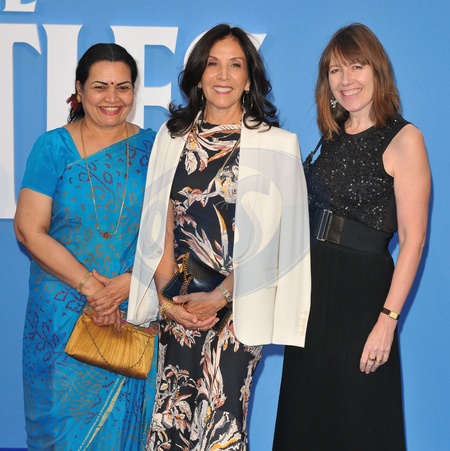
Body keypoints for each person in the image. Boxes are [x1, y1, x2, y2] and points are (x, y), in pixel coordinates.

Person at [127, 23, 311, 450]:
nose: (223, 75)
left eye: (235, 65)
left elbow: (277, 243)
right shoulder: (171, 138)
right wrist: (169, 302)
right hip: (179, 303)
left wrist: (221, 296)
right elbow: (160, 226)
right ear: (198, 75)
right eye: (213, 64)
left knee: (221, 425)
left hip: (239, 306)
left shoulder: (278, 145)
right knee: (171, 421)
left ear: (249, 79)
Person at [273, 23, 430, 450]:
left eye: (356, 66)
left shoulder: (405, 138)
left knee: (359, 422)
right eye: (335, 70)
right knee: (305, 422)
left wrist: (387, 321)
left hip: (363, 301)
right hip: (312, 299)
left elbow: (413, 241)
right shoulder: (330, 138)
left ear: (377, 70)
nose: (346, 80)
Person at [14, 43, 157, 450]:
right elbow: (28, 230)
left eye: (123, 87)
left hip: (128, 314)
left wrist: (129, 283)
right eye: (100, 86)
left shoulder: (156, 149)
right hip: (59, 321)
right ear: (79, 89)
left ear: (134, 91)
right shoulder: (52, 148)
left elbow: (172, 231)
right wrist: (93, 289)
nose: (112, 98)